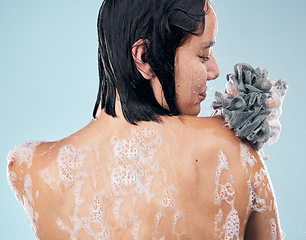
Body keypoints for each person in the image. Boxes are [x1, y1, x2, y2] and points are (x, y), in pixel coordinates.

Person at [7, 0, 283, 239]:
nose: (214, 70)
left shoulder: (32, 169)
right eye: (203, 55)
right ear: (144, 57)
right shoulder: (227, 147)